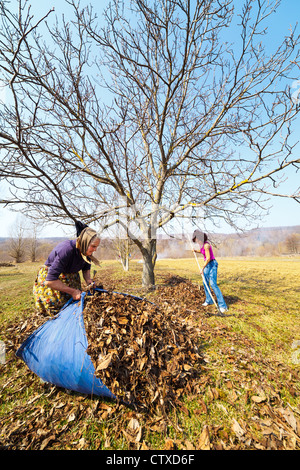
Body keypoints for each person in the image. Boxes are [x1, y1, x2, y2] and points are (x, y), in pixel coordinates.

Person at [33, 221, 100, 316]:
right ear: (83, 242)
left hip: (70, 277)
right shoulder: (66, 250)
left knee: (72, 305)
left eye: (96, 247)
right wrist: (72, 291)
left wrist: (89, 281)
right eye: (93, 246)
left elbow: (85, 269)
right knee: (56, 308)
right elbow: (50, 281)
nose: (95, 250)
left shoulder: (86, 251)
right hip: (54, 279)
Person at [192, 229, 228, 314]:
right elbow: (202, 252)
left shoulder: (206, 245)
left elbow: (208, 258)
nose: (196, 241)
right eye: (195, 240)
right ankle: (209, 300)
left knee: (213, 284)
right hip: (207, 265)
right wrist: (195, 251)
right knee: (205, 283)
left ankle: (223, 306)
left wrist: (202, 268)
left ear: (200, 238)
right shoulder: (202, 246)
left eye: (196, 240)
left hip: (212, 265)